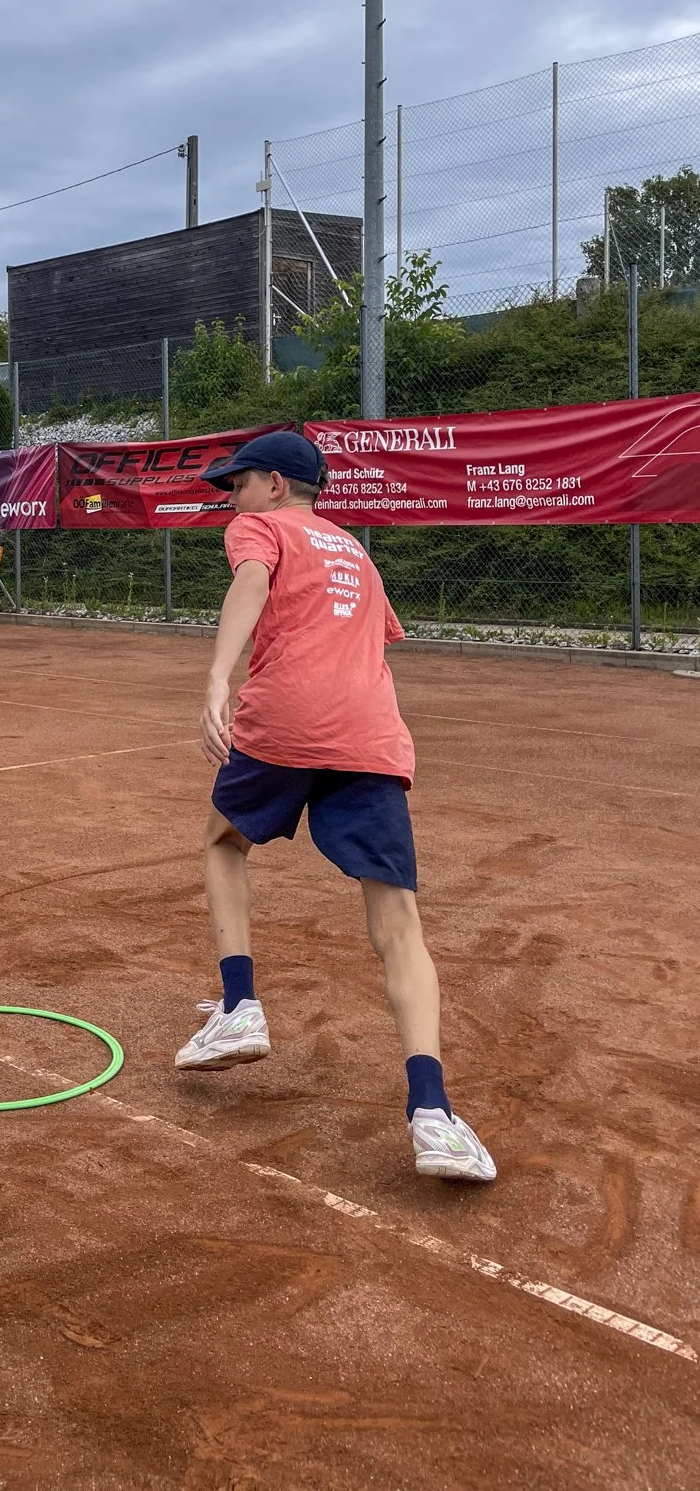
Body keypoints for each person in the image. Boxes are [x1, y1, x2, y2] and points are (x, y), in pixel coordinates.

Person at [177, 431, 495, 1184]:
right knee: (397, 918)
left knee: (223, 842)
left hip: (289, 717)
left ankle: (240, 1004)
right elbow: (371, 640)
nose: (231, 496)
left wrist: (218, 677)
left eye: (239, 482)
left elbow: (251, 583)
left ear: (276, 485)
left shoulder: (260, 528)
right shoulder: (356, 551)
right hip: (371, 732)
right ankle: (432, 1113)